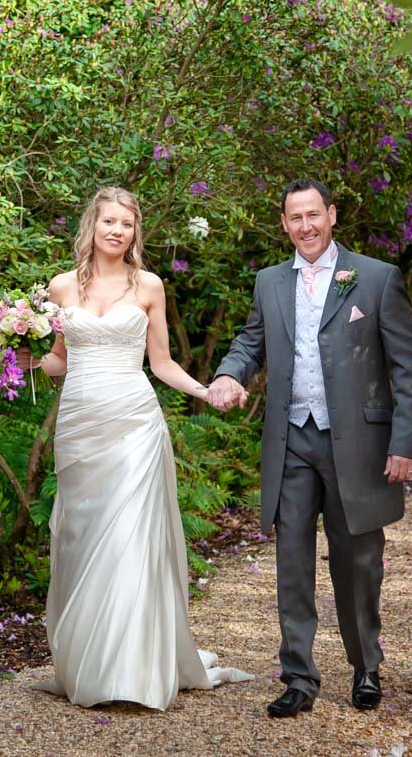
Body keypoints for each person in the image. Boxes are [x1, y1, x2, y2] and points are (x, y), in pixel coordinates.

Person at [207, 178, 412, 718]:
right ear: (283, 224)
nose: (304, 226)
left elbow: (408, 368)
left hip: (358, 444)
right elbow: (250, 342)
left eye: (313, 215)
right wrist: (229, 374)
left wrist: (405, 443)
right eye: (294, 218)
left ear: (331, 215)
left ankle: (366, 667)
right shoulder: (269, 282)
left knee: (358, 562)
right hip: (292, 441)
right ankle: (299, 677)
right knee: (292, 560)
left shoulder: (375, 279)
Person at [30, 186, 253, 710]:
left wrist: (208, 390)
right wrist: (20, 357)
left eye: (126, 224)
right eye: (108, 221)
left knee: (128, 537)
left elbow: (162, 364)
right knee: (84, 539)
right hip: (80, 426)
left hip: (134, 423)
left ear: (135, 232)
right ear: (93, 224)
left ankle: (129, 671)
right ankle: (88, 660)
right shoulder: (61, 287)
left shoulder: (149, 285)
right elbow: (59, 360)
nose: (116, 230)